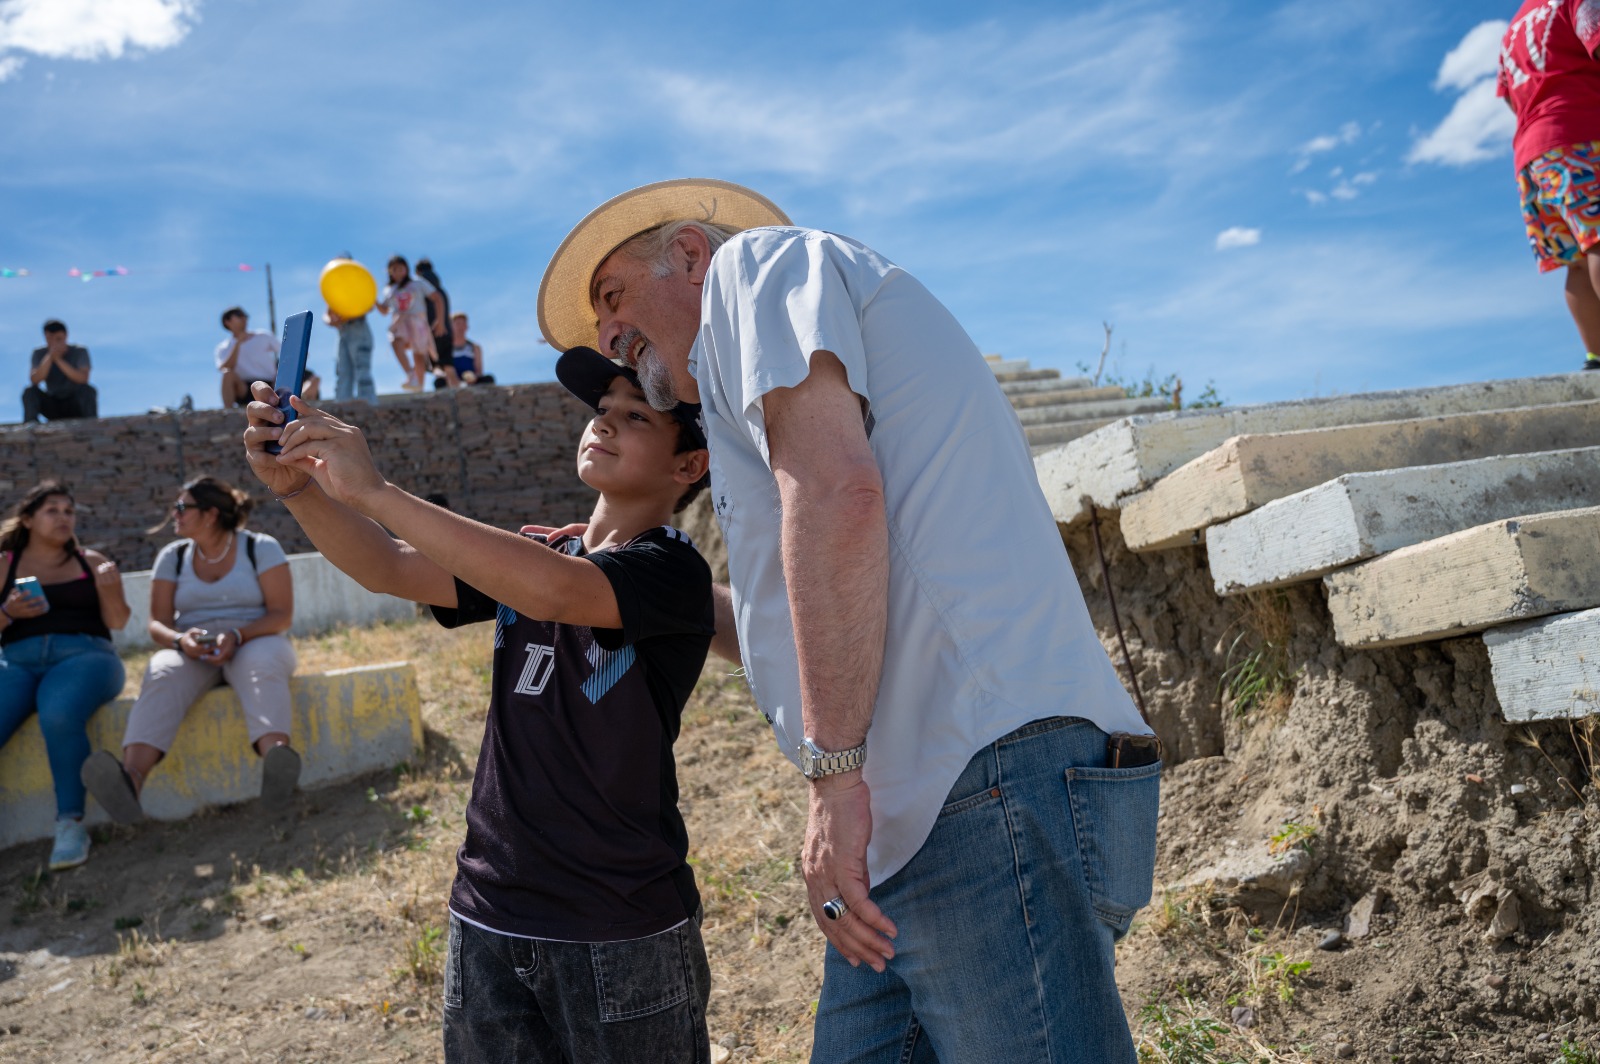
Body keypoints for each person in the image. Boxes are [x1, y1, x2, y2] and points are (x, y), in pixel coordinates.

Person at [538, 179, 1162, 1064]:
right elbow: (805, 574)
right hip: (927, 802)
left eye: (611, 297)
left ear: (688, 255)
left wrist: (833, 780)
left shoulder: (756, 267)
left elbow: (837, 496)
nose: (604, 335)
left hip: (977, 783)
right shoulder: (737, 366)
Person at [240, 345, 715, 1064]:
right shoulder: (536, 550)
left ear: (688, 467)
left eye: (637, 416)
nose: (606, 424)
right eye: (602, 411)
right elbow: (389, 566)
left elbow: (559, 591)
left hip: (619, 924)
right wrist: (302, 487)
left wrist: (375, 490)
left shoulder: (671, 568)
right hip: (488, 909)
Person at [81, 476, 298, 823]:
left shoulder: (261, 548)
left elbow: (281, 614)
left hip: (255, 638)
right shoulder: (173, 556)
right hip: (191, 648)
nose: (174, 514)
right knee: (162, 670)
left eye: (182, 507)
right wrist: (181, 641)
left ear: (210, 514)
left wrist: (237, 635)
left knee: (262, 665)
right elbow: (157, 624)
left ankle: (278, 768)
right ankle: (130, 782)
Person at [0, 481, 130, 869]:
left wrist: (108, 589)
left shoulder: (91, 561)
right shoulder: (5, 562)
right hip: (16, 661)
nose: (63, 518)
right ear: (28, 519)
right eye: (52, 510)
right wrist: (9, 613)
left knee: (57, 713)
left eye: (69, 511)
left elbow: (118, 622)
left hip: (86, 656)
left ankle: (70, 823)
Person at [1498, 0, 1600, 371]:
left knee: (1576, 259)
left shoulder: (1515, 26)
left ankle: (1596, 358)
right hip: (1582, 135)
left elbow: (1511, 97)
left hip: (1532, 156)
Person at [375, 256, 446, 392]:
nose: (398, 272)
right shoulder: (390, 290)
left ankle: (418, 387)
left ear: (406, 269)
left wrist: (440, 321)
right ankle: (410, 373)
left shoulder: (417, 283)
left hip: (417, 322)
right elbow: (384, 310)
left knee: (419, 355)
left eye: (401, 268)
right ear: (389, 272)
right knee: (396, 342)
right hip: (400, 322)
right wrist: (374, 301)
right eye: (394, 269)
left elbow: (437, 298)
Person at [23, 320, 98, 423]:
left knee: (87, 390)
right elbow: (35, 379)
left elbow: (83, 379)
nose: (54, 343)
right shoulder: (39, 353)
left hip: (74, 402)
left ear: (66, 336)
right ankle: (31, 425)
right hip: (53, 403)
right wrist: (50, 357)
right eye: (50, 339)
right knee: (30, 391)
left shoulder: (79, 351)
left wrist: (58, 360)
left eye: (58, 339)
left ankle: (92, 424)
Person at [215, 307, 280, 407]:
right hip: (244, 389)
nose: (244, 318)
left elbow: (285, 351)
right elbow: (225, 368)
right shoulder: (223, 347)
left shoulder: (262, 336)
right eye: (239, 315)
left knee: (281, 370)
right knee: (227, 373)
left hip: (270, 384)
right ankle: (228, 412)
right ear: (227, 321)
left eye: (245, 315)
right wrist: (238, 343)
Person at [415, 258, 460, 389]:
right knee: (448, 364)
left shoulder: (422, 288)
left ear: (417, 271)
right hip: (446, 331)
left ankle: (419, 391)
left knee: (424, 363)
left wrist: (435, 324)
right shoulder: (442, 290)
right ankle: (457, 391)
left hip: (430, 331)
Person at [325, 293, 377, 402]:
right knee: (343, 371)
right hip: (342, 331)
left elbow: (369, 306)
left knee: (362, 369)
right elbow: (327, 313)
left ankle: (368, 403)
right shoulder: (335, 288)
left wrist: (347, 315)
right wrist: (330, 320)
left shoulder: (357, 284)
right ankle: (341, 404)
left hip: (358, 327)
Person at [437, 312, 495, 388]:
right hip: (450, 381)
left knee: (488, 379)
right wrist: (448, 376)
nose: (461, 327)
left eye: (464, 324)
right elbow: (438, 368)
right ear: (450, 327)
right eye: (458, 324)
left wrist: (474, 377)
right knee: (439, 382)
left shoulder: (475, 347)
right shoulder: (445, 347)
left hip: (471, 381)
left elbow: (479, 370)